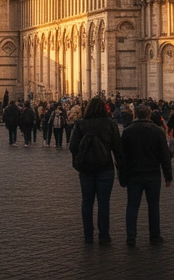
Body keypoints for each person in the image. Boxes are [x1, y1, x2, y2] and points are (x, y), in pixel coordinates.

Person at [69, 97, 124, 245]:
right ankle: (104, 235)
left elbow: (72, 146)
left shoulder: (81, 124)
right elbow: (118, 149)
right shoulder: (110, 124)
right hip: (105, 168)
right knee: (103, 202)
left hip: (86, 169)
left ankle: (88, 235)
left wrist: (77, 162)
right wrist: (121, 168)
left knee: (87, 202)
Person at [118, 104, 173, 246]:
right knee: (153, 205)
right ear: (149, 115)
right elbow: (164, 155)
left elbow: (122, 157)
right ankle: (154, 236)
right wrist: (168, 176)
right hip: (153, 174)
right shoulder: (157, 131)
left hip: (133, 175)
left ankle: (131, 237)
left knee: (132, 206)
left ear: (135, 115)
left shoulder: (128, 131)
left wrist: (122, 176)